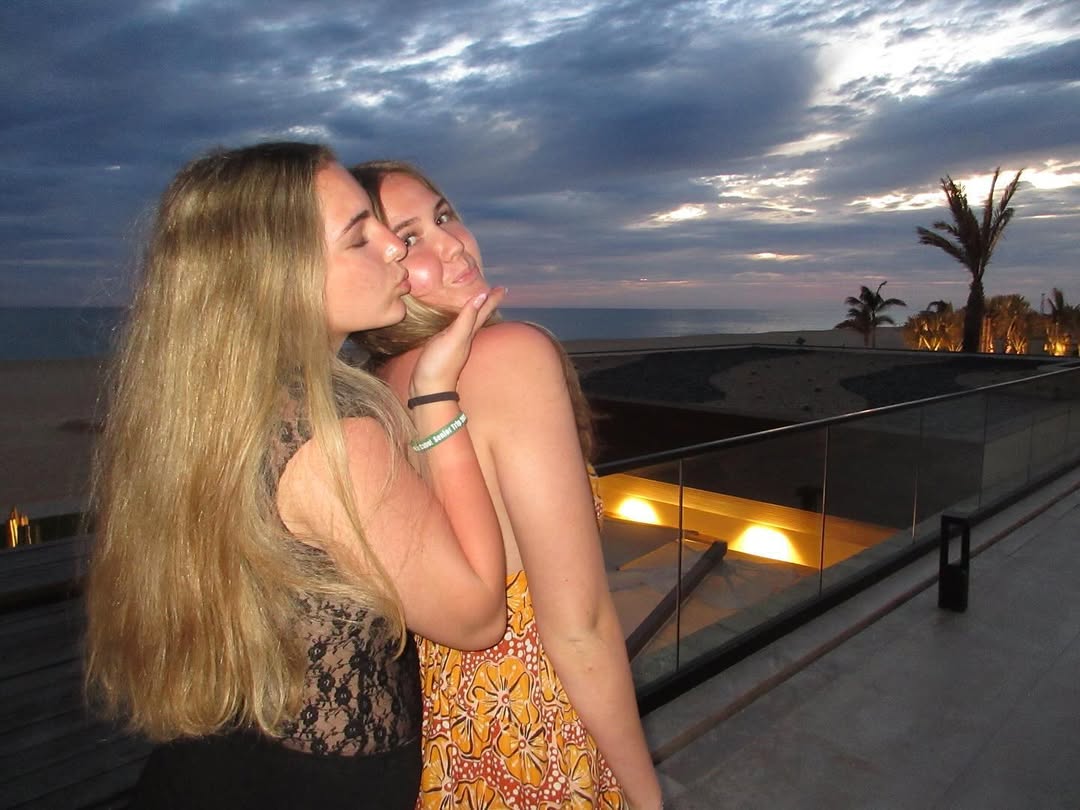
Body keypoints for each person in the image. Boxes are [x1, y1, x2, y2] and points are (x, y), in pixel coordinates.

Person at [83, 142, 508, 809]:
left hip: (217, 755)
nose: (393, 248)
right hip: (322, 780)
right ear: (280, 275)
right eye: (358, 237)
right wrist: (436, 397)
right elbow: (478, 616)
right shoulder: (330, 435)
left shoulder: (211, 406)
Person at [350, 160, 663, 810]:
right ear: (374, 263)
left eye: (443, 216)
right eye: (409, 238)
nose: (453, 244)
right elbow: (579, 626)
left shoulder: (371, 391)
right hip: (536, 729)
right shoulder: (509, 355)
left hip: (447, 742)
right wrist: (644, 794)